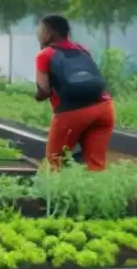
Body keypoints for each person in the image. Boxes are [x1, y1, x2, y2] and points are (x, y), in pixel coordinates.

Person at [34, 14, 115, 170]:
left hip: (71, 112)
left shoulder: (45, 55)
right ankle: (95, 191)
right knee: (95, 163)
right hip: (104, 108)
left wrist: (38, 96)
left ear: (50, 34)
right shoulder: (82, 49)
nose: (38, 34)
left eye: (41, 30)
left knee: (55, 161)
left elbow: (43, 90)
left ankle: (55, 191)